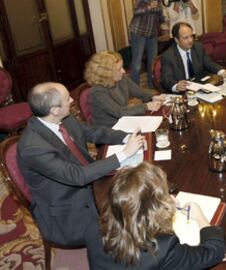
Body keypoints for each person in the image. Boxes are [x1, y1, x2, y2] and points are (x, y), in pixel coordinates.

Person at [17, 82, 146, 269]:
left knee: (138, 182)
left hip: (88, 178)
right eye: (67, 99)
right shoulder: (33, 147)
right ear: (54, 110)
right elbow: (76, 176)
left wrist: (125, 137)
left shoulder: (63, 119)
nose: (72, 100)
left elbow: (92, 132)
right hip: (68, 207)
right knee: (132, 204)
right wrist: (125, 153)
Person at [90, 162, 226, 269]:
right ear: (152, 210)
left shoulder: (92, 228)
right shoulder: (165, 249)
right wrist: (200, 217)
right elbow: (213, 251)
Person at [84, 51, 164, 127]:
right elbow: (118, 111)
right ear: (107, 73)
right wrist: (146, 106)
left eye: (122, 67)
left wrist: (152, 97)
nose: (123, 71)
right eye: (119, 69)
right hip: (109, 130)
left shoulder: (120, 78)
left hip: (124, 121)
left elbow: (139, 92)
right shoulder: (97, 92)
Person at [161, 22, 226, 92]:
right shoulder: (168, 56)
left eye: (191, 36)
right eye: (186, 38)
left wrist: (222, 71)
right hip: (184, 91)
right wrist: (176, 86)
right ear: (176, 40)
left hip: (200, 86)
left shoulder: (198, 47)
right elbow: (166, 78)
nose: (190, 40)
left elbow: (208, 63)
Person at [129, 0, 164, 88]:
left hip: (152, 33)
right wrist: (149, 7)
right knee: (137, 63)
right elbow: (136, 11)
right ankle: (134, 88)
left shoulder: (159, 1)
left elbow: (159, 18)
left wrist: (163, 17)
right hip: (139, 32)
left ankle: (151, 85)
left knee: (152, 61)